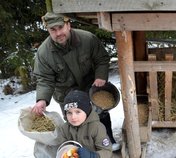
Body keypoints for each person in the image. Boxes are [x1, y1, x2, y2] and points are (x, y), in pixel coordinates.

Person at [31, 12, 120, 151]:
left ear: (68, 25)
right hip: (65, 93)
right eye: (53, 30)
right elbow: (44, 79)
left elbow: (101, 59)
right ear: (48, 30)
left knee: (99, 115)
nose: (58, 33)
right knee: (74, 122)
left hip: (90, 87)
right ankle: (83, 149)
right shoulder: (43, 53)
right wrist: (42, 99)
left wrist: (101, 76)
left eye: (60, 27)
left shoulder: (87, 39)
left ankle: (107, 140)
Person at [58, 90, 112, 158]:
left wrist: (93, 156)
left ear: (87, 111)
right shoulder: (65, 128)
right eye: (69, 113)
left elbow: (107, 151)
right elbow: (64, 147)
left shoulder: (96, 127)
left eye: (78, 112)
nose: (73, 117)